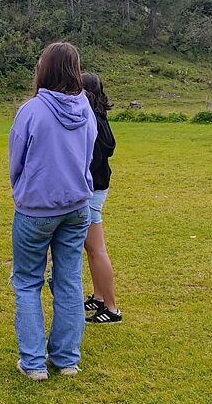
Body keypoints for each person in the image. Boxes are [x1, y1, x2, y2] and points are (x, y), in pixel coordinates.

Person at [8, 42, 96, 381]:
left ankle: (33, 364)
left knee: (28, 282)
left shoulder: (31, 110)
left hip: (35, 210)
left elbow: (16, 160)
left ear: (44, 69)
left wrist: (23, 190)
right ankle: (66, 359)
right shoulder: (86, 107)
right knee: (69, 280)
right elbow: (88, 152)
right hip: (77, 206)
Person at [81, 72, 121, 324]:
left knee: (96, 249)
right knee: (90, 248)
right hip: (99, 187)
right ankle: (98, 296)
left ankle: (112, 308)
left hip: (92, 190)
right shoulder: (100, 116)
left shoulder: (90, 120)